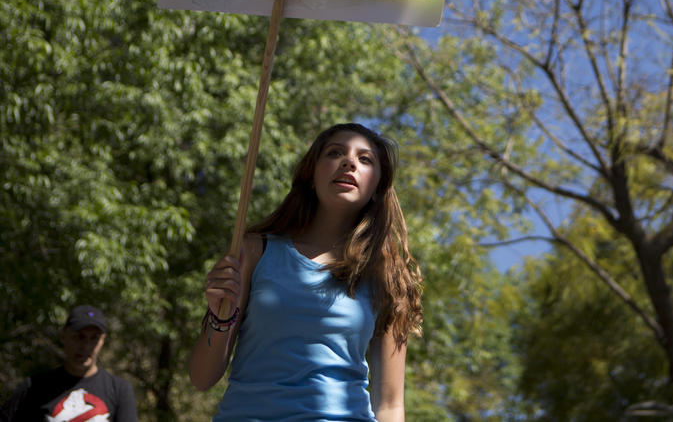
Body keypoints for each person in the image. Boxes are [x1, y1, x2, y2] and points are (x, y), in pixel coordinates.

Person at [188, 122, 423, 422]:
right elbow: (201, 378)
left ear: (377, 188)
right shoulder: (254, 251)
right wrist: (219, 317)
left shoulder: (385, 277)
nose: (349, 162)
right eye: (335, 152)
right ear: (311, 175)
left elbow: (390, 405)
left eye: (365, 159)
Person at [0, 305, 138, 422]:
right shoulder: (35, 387)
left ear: (103, 340)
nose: (85, 346)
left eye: (94, 338)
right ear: (63, 336)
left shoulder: (119, 390)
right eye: (79, 337)